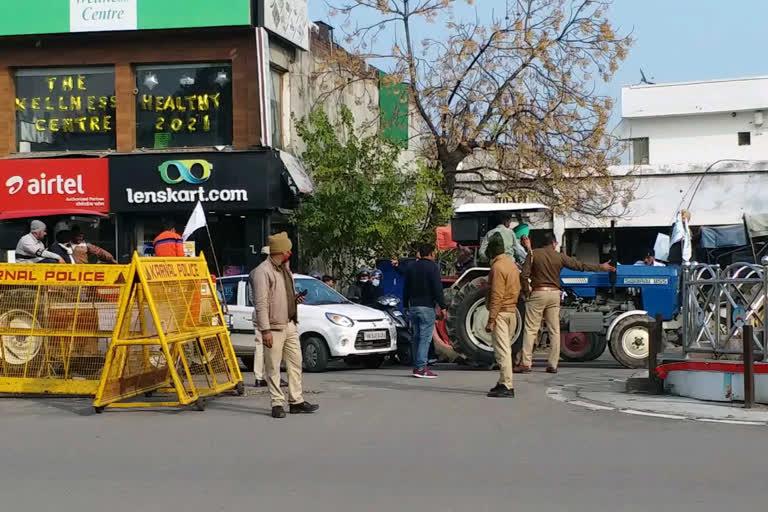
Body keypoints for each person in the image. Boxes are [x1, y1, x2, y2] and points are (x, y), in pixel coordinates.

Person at [518, 232, 615, 374]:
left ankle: (526, 363)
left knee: (531, 329)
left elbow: (524, 275)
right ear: (553, 243)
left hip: (538, 293)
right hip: (554, 294)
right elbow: (579, 266)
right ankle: (553, 364)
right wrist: (601, 267)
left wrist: (527, 291)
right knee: (554, 330)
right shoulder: (559, 256)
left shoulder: (533, 254)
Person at [252, 232, 318, 418]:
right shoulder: (263, 272)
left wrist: (295, 300)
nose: (290, 252)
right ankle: (277, 403)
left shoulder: (284, 270)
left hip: (289, 324)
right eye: (288, 249)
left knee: (295, 364)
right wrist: (265, 330)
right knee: (273, 367)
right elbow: (262, 304)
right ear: (281, 251)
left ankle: (296, 400)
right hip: (272, 327)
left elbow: (283, 297)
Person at [397, 243, 446, 378]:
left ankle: (416, 366)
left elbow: (406, 287)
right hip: (426, 307)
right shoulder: (433, 268)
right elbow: (437, 288)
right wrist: (442, 306)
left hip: (413, 306)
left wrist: (406, 304)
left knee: (416, 337)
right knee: (425, 338)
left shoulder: (411, 267)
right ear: (430, 254)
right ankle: (421, 368)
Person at [484, 233, 520, 398]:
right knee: (506, 349)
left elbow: (497, 294)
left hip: (500, 313)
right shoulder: (512, 265)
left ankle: (507, 385)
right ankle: (502, 381)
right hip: (511, 310)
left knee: (502, 350)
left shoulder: (497, 268)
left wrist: (491, 319)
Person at [249, 245, 287, 389]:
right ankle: (266, 376)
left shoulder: (258, 271)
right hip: (263, 313)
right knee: (267, 346)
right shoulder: (260, 272)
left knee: (262, 347)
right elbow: (259, 299)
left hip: (263, 312)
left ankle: (261, 376)